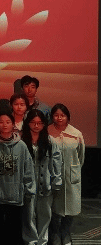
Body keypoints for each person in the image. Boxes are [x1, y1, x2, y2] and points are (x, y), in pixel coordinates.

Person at [0, 111, 35, 245]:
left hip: (16, 195)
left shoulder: (21, 145)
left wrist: (29, 189)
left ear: (13, 124)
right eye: (1, 122)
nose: (4, 125)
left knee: (14, 232)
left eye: (8, 122)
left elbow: (28, 169)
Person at [21, 109, 62, 245]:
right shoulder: (21, 141)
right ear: (28, 123)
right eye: (33, 122)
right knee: (28, 215)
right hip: (27, 185)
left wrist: (56, 181)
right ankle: (31, 241)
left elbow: (56, 163)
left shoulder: (50, 142)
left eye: (39, 123)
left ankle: (42, 242)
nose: (36, 126)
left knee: (45, 215)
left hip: (45, 185)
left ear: (44, 124)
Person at [48, 103, 85, 245]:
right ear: (52, 117)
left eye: (62, 115)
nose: (59, 118)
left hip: (71, 176)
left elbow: (80, 156)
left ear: (67, 117)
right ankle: (55, 234)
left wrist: (74, 169)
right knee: (53, 208)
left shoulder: (76, 134)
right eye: (56, 115)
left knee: (70, 208)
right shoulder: (48, 131)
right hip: (53, 176)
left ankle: (66, 234)